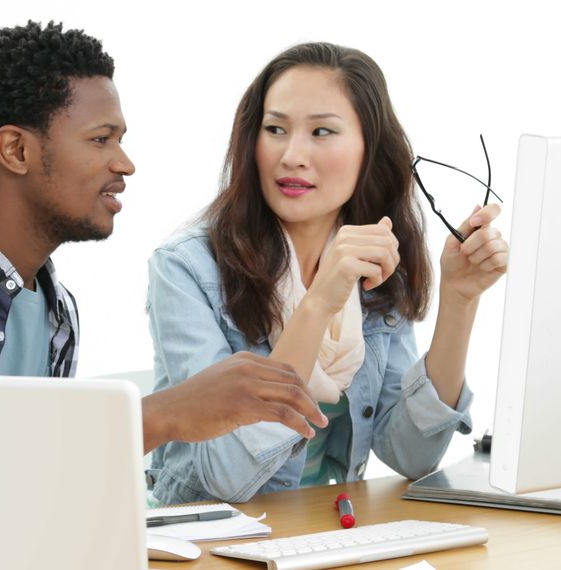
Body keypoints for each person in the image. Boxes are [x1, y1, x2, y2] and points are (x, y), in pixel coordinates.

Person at [0, 21, 327, 454]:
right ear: (16, 151)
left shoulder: (58, 313)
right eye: (101, 140)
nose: (124, 164)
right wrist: (163, 415)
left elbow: (34, 483)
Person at [145, 42, 509, 504]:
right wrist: (318, 303)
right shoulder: (186, 268)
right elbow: (227, 476)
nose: (292, 155)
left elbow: (411, 454)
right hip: (214, 540)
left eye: (321, 132)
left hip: (325, 532)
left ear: (369, 151)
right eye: (275, 128)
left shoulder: (372, 255)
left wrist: (460, 299)